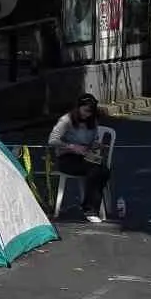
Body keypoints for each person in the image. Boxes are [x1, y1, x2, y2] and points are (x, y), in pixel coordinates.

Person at [48, 93, 112, 221]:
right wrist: (71, 146)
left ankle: (90, 205)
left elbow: (92, 141)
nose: (88, 114)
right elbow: (52, 140)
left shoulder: (92, 122)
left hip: (84, 156)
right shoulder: (66, 120)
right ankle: (89, 210)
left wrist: (96, 145)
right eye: (86, 110)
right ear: (78, 107)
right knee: (94, 170)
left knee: (104, 171)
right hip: (66, 157)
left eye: (91, 112)